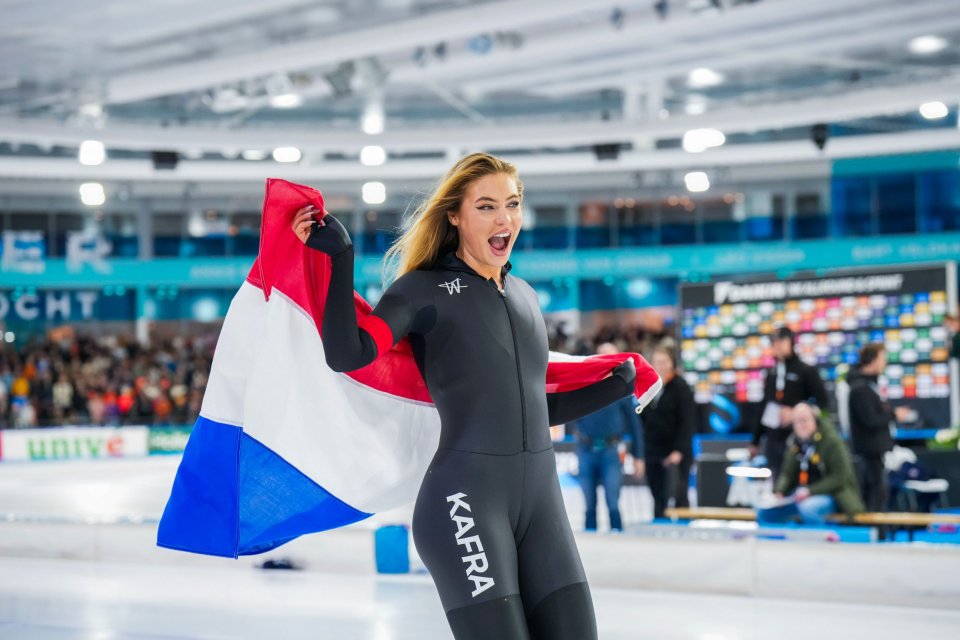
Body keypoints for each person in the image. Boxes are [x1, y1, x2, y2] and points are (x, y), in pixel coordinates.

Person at [293, 153, 643, 640]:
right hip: (463, 503)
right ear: (454, 216)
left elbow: (533, 413)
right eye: (486, 207)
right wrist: (339, 258)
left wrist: (613, 390)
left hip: (541, 505)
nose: (505, 219)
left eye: (513, 204)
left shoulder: (523, 294)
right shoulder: (422, 291)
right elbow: (348, 353)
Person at [571, 342, 645, 532]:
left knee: (613, 502)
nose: (605, 356)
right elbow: (572, 412)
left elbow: (635, 426)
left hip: (611, 452)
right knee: (589, 505)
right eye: (601, 353)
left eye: (609, 354)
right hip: (586, 451)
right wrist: (577, 430)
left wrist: (639, 456)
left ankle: (619, 539)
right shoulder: (584, 383)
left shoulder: (624, 389)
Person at [757, 403, 864, 525]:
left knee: (808, 508)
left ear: (815, 420)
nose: (801, 425)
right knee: (765, 511)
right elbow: (787, 474)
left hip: (831, 494)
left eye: (804, 420)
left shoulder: (832, 441)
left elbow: (839, 478)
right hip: (797, 495)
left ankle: (818, 541)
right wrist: (780, 491)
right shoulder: (794, 442)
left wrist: (810, 491)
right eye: (797, 421)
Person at [750, 326, 828, 482]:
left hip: (798, 437)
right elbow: (764, 407)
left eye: (781, 341)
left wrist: (797, 413)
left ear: (791, 342)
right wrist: (755, 441)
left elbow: (824, 403)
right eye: (774, 342)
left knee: (797, 479)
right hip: (773, 438)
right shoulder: (771, 374)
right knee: (778, 480)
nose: (777, 346)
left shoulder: (806, 371)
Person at [847, 343, 912, 512]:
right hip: (868, 454)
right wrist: (894, 415)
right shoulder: (860, 388)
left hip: (875, 453)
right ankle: (875, 534)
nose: (885, 363)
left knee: (880, 494)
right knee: (875, 496)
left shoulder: (868, 386)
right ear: (873, 359)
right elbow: (870, 420)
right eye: (882, 358)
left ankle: (878, 533)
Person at [642, 344, 696, 519]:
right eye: (657, 362)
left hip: (676, 452)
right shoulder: (649, 386)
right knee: (658, 496)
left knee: (679, 494)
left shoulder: (681, 387)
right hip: (653, 451)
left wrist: (678, 450)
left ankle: (684, 531)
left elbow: (688, 422)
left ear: (672, 363)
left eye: (664, 362)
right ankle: (659, 527)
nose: (661, 366)